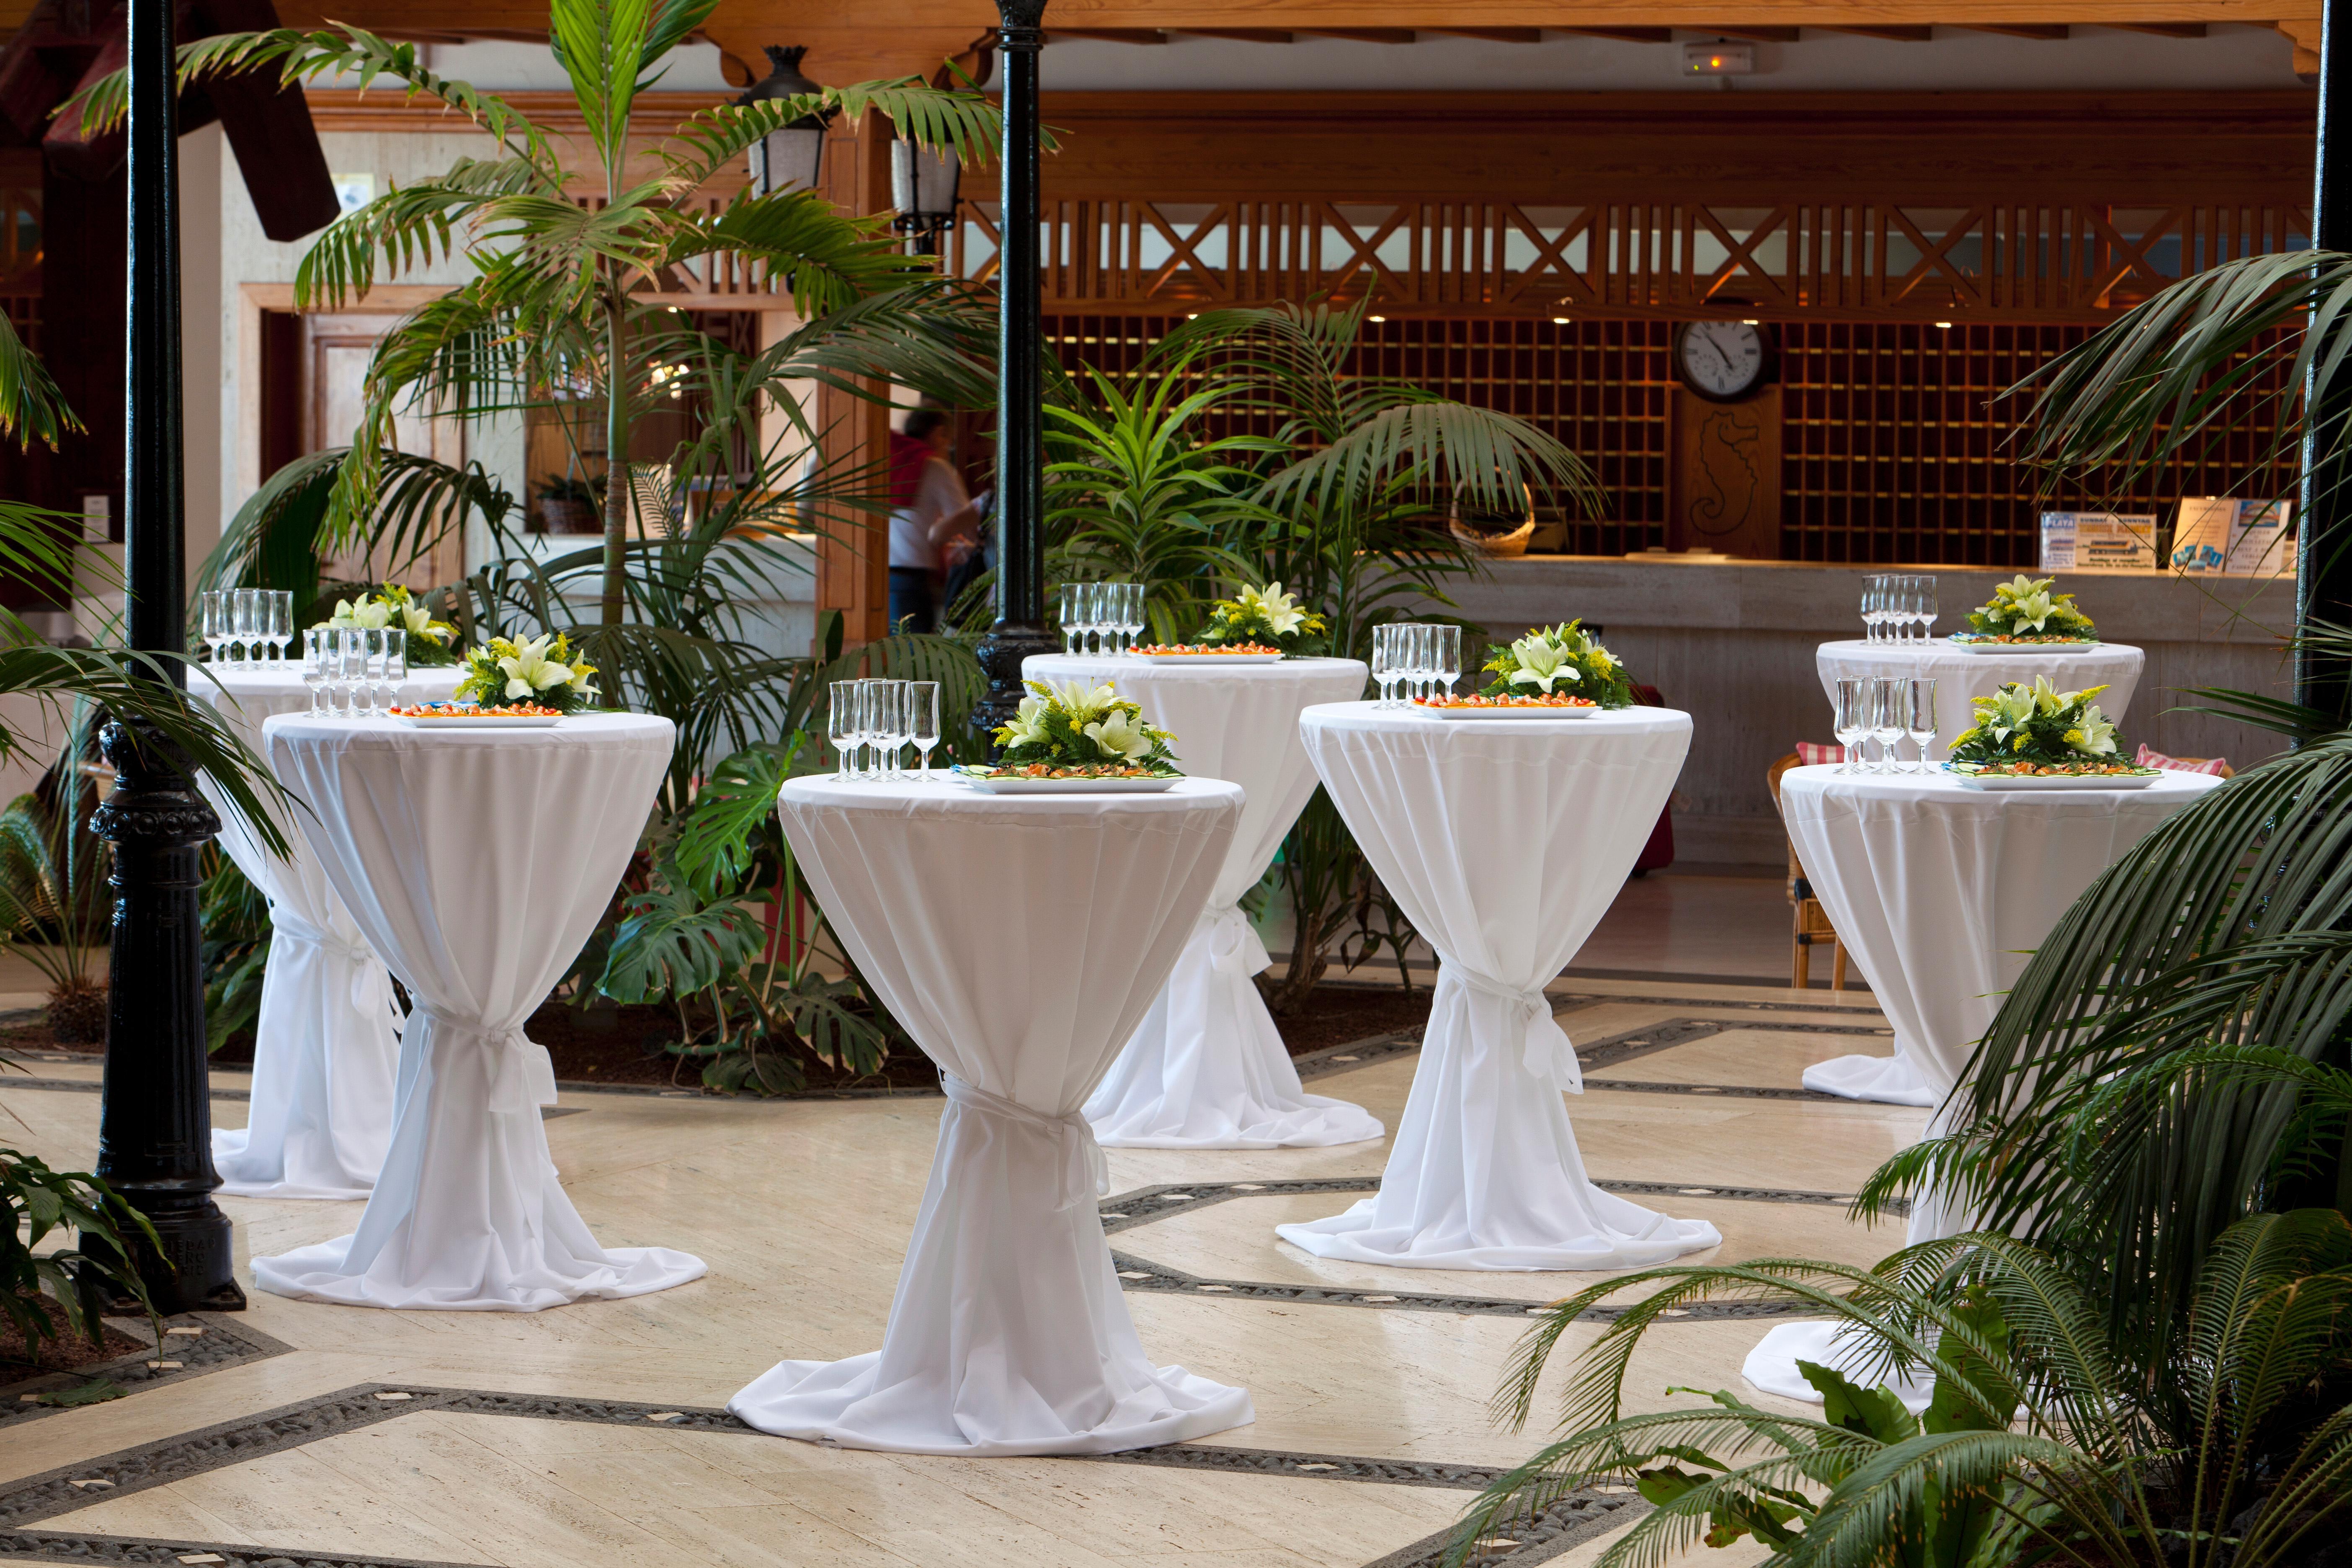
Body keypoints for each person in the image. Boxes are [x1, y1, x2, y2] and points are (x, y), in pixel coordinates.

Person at [886, 409, 978, 634]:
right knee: (915, 659)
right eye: (950, 442)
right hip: (912, 579)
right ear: (938, 434)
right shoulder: (935, 466)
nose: (950, 450)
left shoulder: (888, 459)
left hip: (877, 577)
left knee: (888, 658)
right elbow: (967, 520)